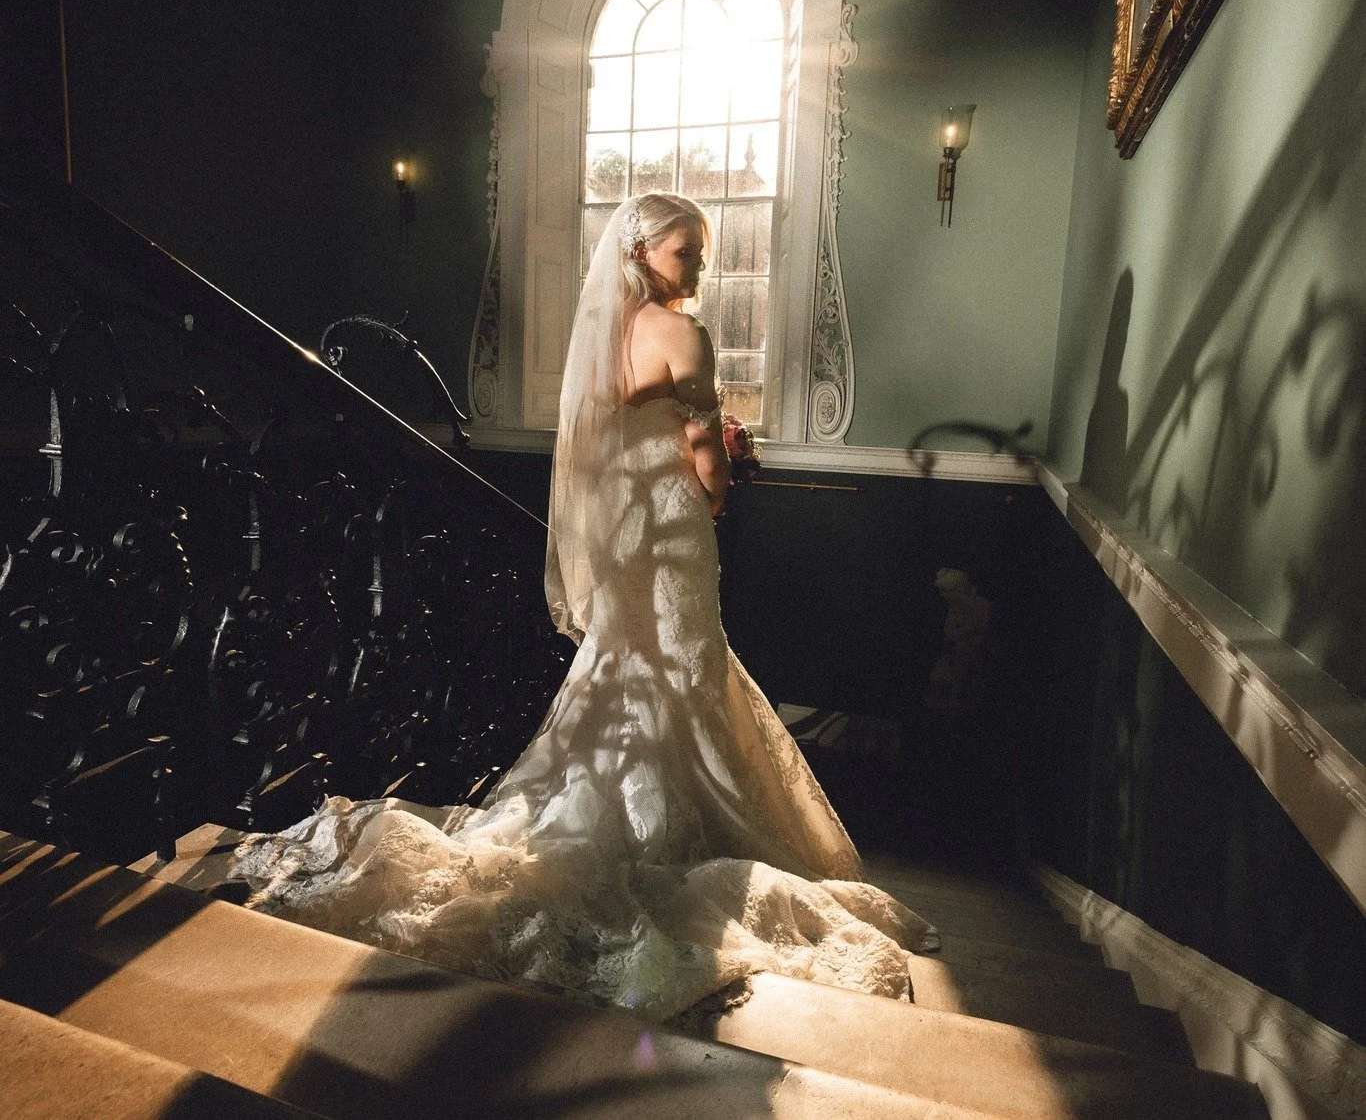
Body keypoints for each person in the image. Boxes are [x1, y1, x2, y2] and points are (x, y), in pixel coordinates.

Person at [230, 193, 937, 1022]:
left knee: (627, 664)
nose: (700, 265)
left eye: (701, 251)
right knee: (688, 666)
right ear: (641, 253)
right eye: (685, 251)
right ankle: (672, 834)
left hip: (620, 533)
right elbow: (704, 458)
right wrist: (722, 480)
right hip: (669, 527)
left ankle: (621, 812)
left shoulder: (601, 334)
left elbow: (598, 449)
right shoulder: (685, 335)